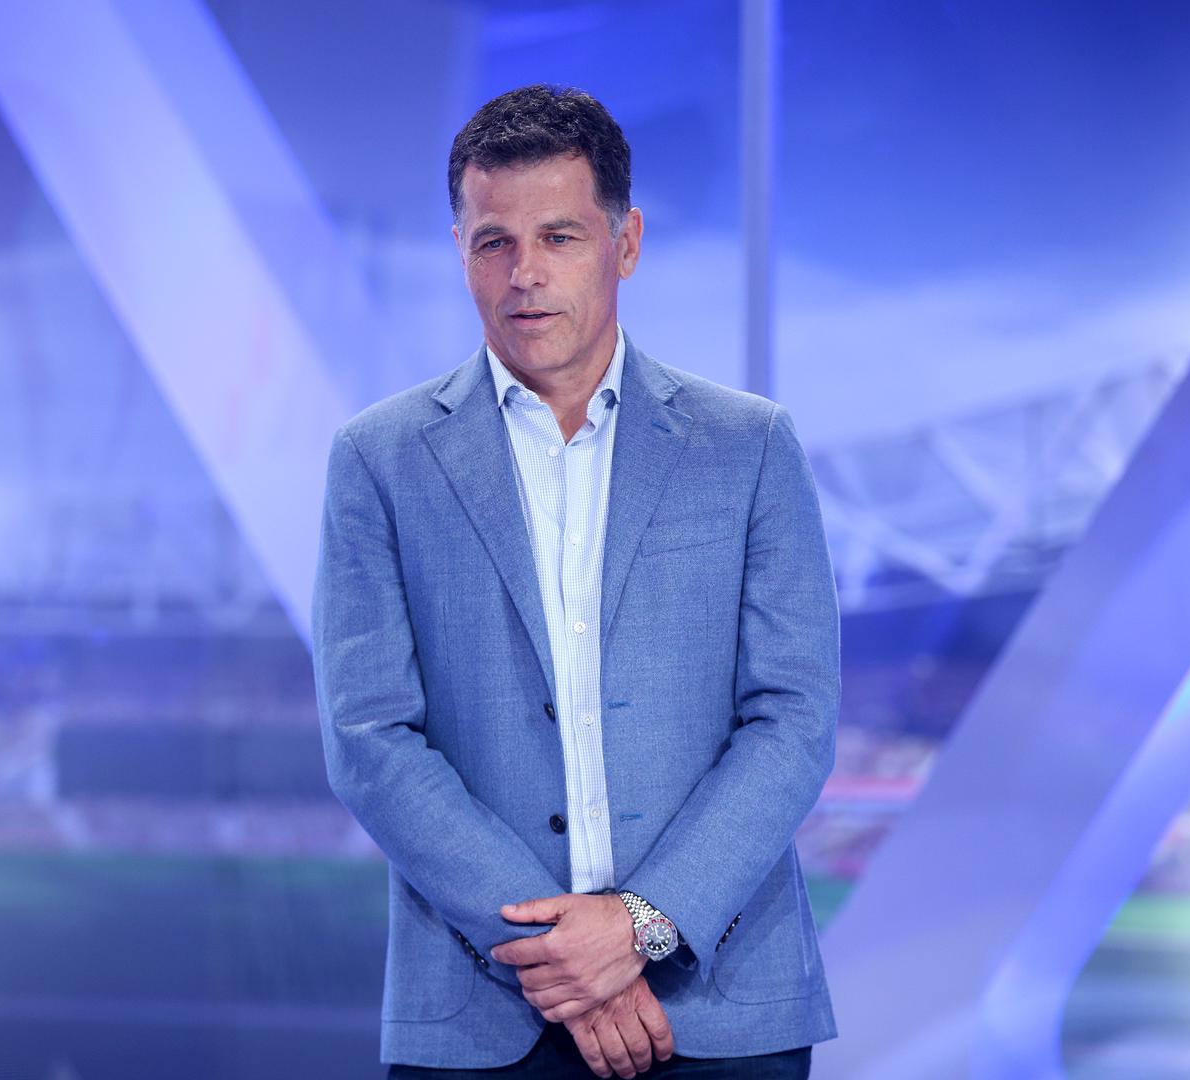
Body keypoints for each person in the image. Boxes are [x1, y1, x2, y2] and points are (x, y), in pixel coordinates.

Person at [312, 84, 840, 1079]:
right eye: (493, 243)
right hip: (481, 1011)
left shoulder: (748, 447)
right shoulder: (378, 460)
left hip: (723, 1009)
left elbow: (793, 717)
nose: (525, 274)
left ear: (624, 243)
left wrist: (638, 926)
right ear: (459, 252)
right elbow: (369, 737)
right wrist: (561, 956)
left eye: (558, 236)